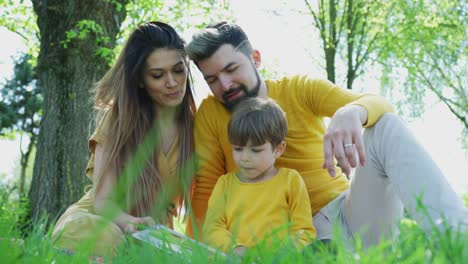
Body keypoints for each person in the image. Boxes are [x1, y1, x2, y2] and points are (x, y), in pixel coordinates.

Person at [185, 21, 468, 248]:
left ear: (255, 58)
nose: (224, 84)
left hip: (349, 214)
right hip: (287, 241)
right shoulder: (211, 114)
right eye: (211, 79)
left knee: (385, 127)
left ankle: (459, 241)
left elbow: (381, 104)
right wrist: (198, 252)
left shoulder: (300, 89)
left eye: (232, 69)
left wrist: (354, 111)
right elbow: (207, 192)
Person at [51, 21, 196, 256]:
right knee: (107, 237)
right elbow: (102, 202)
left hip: (151, 234)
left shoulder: (195, 125)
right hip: (99, 221)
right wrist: (129, 223)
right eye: (158, 75)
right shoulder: (119, 121)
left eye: (178, 70)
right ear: (140, 80)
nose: (172, 83)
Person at [203, 98, 316, 255]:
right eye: (238, 149)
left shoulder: (291, 181)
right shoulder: (225, 184)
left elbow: (303, 231)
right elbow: (212, 228)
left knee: (327, 247)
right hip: (234, 258)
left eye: (255, 150)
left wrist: (281, 254)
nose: (245, 158)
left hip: (277, 259)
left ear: (278, 149)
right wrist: (237, 249)